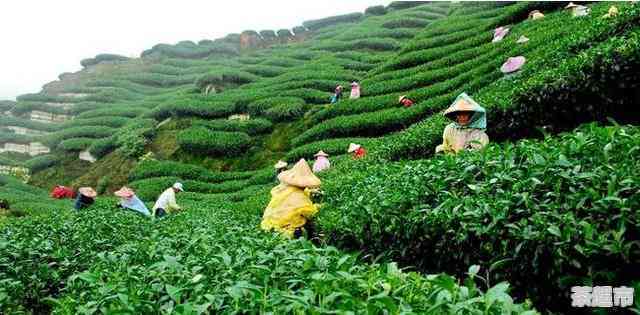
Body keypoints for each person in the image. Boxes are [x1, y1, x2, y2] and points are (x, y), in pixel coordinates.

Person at [261, 159, 321, 238]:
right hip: (286, 231)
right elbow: (310, 213)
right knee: (308, 226)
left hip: (269, 226)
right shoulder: (300, 197)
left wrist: (311, 192)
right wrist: (319, 206)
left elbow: (298, 193)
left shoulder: (282, 189)